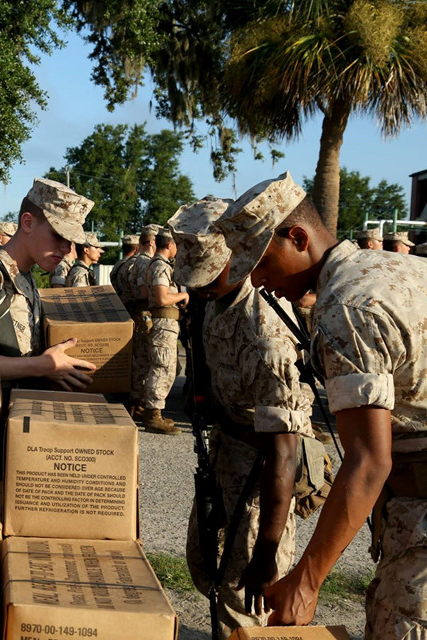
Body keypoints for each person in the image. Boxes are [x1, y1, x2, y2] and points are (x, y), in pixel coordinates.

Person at [214, 171, 427, 636]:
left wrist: (306, 581)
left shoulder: (347, 309)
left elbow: (369, 461)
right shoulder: (402, 269)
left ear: (297, 236)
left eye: (263, 262)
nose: (258, 281)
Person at [169, 196, 316, 639]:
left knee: (246, 597)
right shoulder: (214, 301)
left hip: (264, 474)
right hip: (226, 456)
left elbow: (284, 451)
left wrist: (267, 551)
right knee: (205, 568)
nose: (199, 289)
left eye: (207, 279)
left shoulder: (265, 335)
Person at [0, 178, 96, 389]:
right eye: (58, 235)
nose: (67, 248)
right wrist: (42, 366)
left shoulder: (23, 277)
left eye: (70, 241)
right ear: (28, 222)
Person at [140, 228, 187, 434]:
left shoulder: (158, 265)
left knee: (166, 366)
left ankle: (155, 411)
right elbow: (161, 298)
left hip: (165, 323)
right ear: (169, 245)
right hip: (163, 323)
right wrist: (183, 297)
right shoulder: (160, 266)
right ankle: (153, 414)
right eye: (176, 245)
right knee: (162, 367)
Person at [121, 223, 161, 420]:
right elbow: (143, 293)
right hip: (143, 313)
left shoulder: (138, 261)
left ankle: (137, 403)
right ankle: (138, 404)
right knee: (144, 361)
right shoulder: (144, 262)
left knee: (142, 360)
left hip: (138, 314)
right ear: (153, 241)